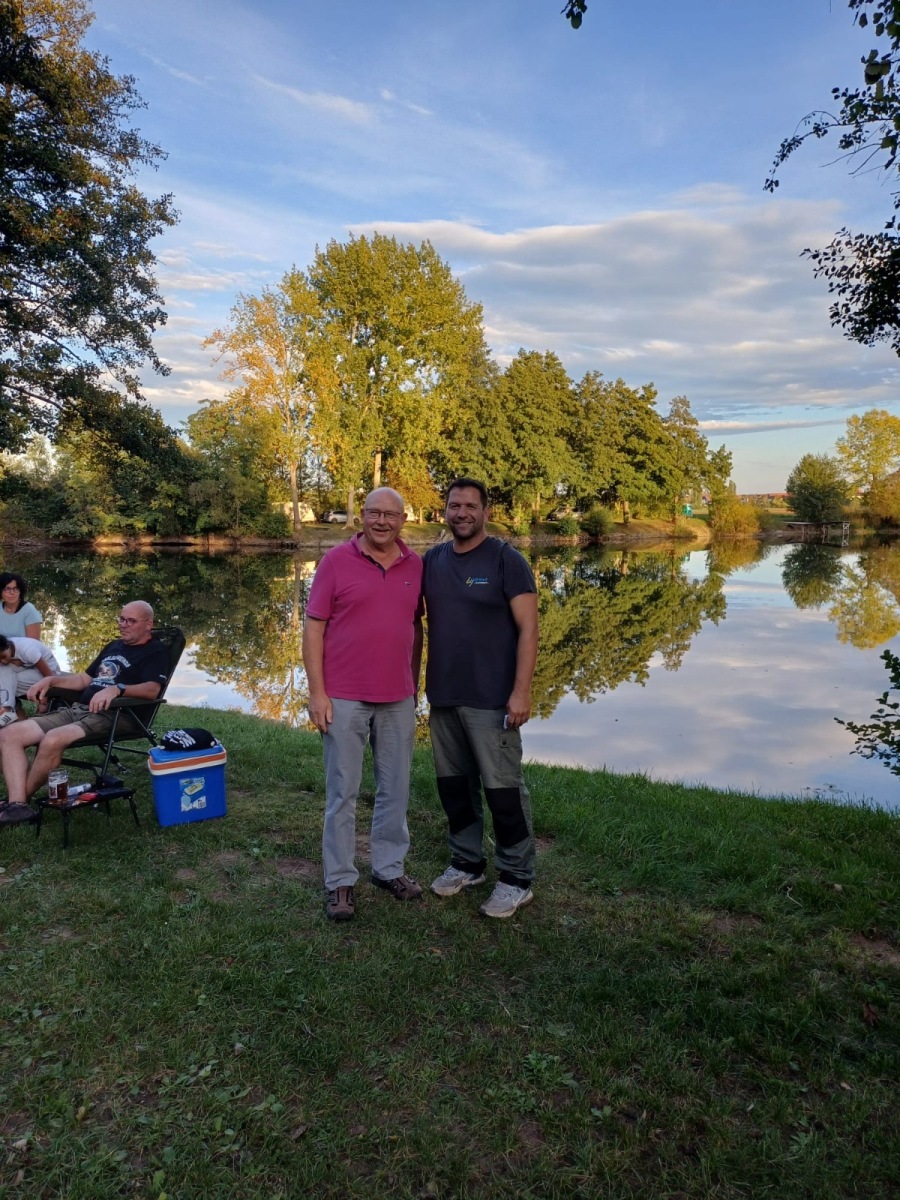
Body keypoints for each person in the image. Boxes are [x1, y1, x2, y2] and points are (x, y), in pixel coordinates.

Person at [303, 487, 424, 921]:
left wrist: (414, 683)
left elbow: (415, 626)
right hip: (344, 697)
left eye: (390, 515)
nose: (381, 521)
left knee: (396, 789)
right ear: (363, 517)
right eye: (374, 513)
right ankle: (339, 880)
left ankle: (388, 869)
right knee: (343, 792)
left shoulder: (415, 565)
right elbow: (313, 628)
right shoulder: (336, 562)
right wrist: (317, 693)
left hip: (397, 698)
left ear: (403, 520)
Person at [422, 478, 539, 919]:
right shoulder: (432, 561)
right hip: (444, 695)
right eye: (455, 505)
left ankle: (516, 879)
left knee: (502, 791)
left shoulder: (507, 561)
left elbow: (529, 629)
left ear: (486, 512)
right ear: (445, 511)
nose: (462, 513)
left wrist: (521, 691)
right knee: (454, 788)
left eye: (471, 506)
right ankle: (466, 863)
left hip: (492, 699)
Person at [0, 601, 168, 824]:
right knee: (9, 734)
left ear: (148, 624)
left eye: (131, 621)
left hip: (116, 714)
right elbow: (82, 680)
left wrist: (117, 689)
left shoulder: (156, 651)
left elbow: (152, 690)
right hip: (80, 709)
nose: (123, 625)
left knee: (53, 739)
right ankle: (17, 805)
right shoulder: (113, 646)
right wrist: (51, 680)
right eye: (121, 619)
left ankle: (18, 804)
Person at [0, 635, 62, 728]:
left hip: (50, 671)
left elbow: (49, 676)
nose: (3, 661)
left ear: (8, 646)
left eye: (4, 657)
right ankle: (7, 708)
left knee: (11, 682)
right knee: (3, 671)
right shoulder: (8, 649)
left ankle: (9, 709)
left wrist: (44, 698)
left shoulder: (27, 649)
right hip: (29, 668)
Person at [0, 573, 42, 639]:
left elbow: (33, 642)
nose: (12, 592)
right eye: (7, 589)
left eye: (15, 588)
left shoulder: (29, 610)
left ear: (20, 591)